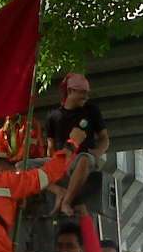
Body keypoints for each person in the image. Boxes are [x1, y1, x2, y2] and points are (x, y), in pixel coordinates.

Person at [45, 73, 109, 217]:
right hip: (60, 161)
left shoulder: (92, 110)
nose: (86, 97)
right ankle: (58, 191)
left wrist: (97, 153)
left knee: (84, 159)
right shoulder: (53, 116)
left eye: (87, 93)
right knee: (21, 168)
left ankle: (66, 202)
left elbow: (104, 138)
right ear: (70, 91)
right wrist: (51, 167)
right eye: (83, 93)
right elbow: (50, 147)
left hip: (83, 158)